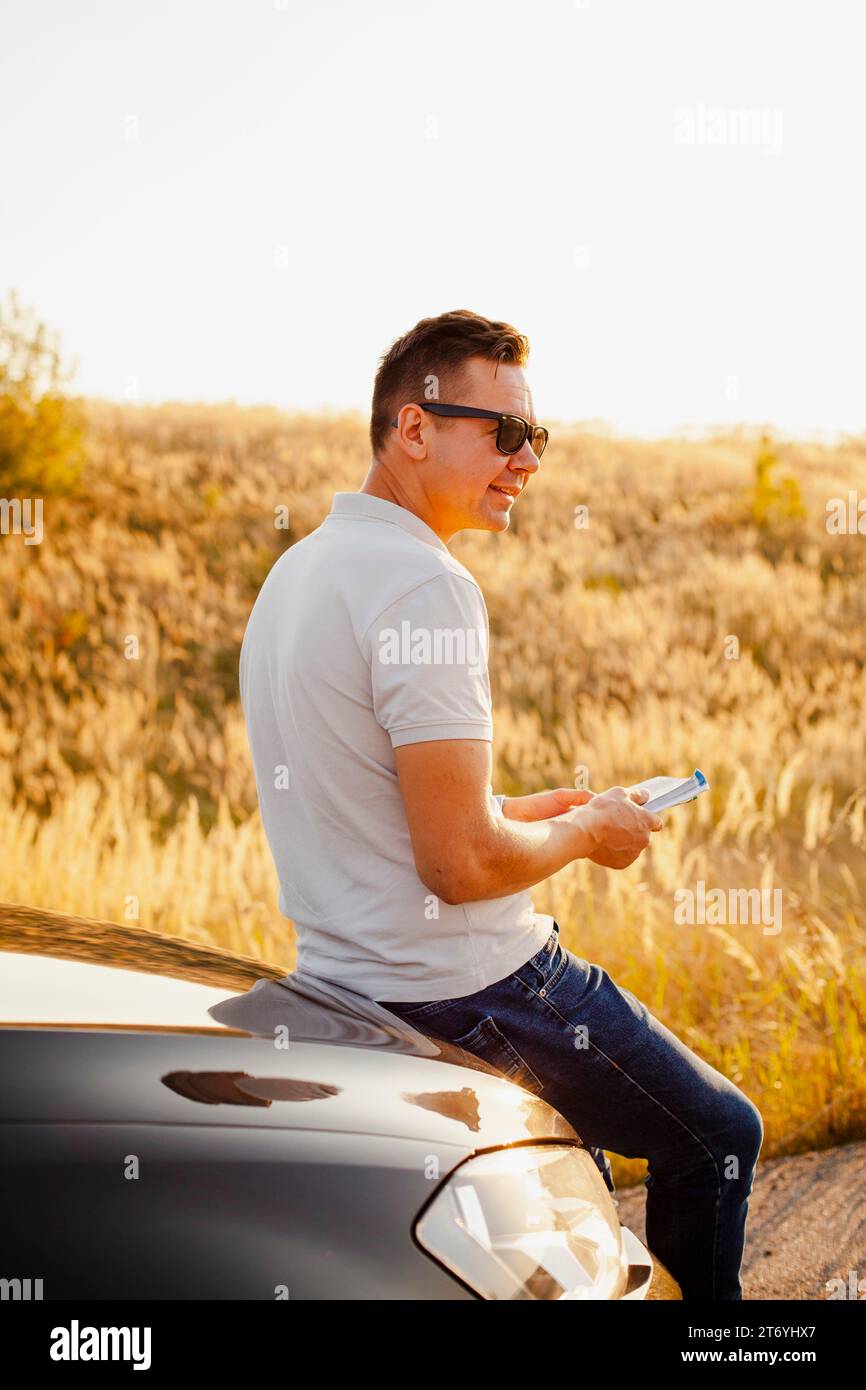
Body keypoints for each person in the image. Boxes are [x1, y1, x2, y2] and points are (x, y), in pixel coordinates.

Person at [238, 308, 763, 1300]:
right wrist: (583, 833)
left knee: (573, 1211)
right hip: (473, 985)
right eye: (504, 433)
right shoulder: (423, 586)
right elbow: (460, 869)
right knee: (719, 1136)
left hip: (350, 981)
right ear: (412, 428)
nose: (526, 461)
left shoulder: (294, 575)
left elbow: (373, 810)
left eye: (536, 437)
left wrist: (518, 805)